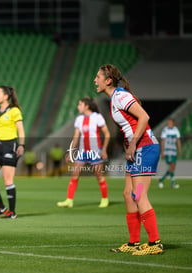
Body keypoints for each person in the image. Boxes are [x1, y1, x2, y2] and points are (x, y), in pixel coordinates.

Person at [95, 64, 163, 255]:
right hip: (136, 150)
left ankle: (155, 243)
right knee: (128, 194)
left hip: (144, 148)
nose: (95, 80)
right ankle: (133, 242)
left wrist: (133, 143)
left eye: (98, 77)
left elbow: (144, 116)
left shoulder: (120, 95)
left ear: (108, 80)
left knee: (139, 195)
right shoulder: (115, 98)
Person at [57, 97, 110, 208]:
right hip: (82, 152)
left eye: (80, 104)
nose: (78, 106)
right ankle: (69, 200)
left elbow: (107, 134)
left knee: (99, 176)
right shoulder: (79, 119)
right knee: (74, 175)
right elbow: (76, 137)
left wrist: (104, 149)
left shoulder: (97, 117)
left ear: (86, 106)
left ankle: (105, 199)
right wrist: (71, 151)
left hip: (95, 151)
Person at [0, 86, 25, 219]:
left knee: (8, 180)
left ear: (6, 96)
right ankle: (1, 207)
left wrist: (22, 145)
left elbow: (21, 130)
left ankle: (12, 212)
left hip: (10, 146)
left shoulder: (14, 111)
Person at [158, 118, 182, 189]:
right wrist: (162, 152)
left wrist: (180, 150)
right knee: (172, 165)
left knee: (172, 167)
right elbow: (162, 141)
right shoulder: (165, 130)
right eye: (168, 123)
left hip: (174, 150)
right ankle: (173, 183)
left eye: (170, 123)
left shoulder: (176, 130)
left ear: (173, 123)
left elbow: (178, 140)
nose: (169, 124)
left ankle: (161, 179)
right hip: (167, 151)